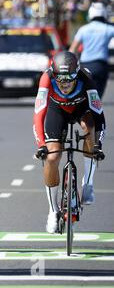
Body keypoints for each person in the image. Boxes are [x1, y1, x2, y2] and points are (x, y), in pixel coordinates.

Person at [33, 51, 106, 234]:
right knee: (52, 156)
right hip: (56, 110)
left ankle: (87, 183)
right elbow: (38, 114)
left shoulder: (87, 78)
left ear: (77, 73)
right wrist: (41, 145)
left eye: (69, 79)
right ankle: (52, 210)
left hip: (82, 109)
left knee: (90, 129)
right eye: (60, 80)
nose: (64, 84)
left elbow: (100, 118)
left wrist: (98, 145)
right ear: (54, 74)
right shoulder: (46, 78)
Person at [69, 2, 114, 99]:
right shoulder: (107, 28)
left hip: (85, 67)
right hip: (101, 66)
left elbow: (72, 50)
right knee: (97, 98)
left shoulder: (83, 29)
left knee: (85, 96)